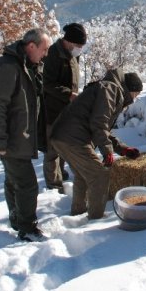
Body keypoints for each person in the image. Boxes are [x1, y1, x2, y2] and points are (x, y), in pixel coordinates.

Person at [0, 28, 52, 242]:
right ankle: (27, 228)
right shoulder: (8, 67)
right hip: (11, 138)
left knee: (14, 181)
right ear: (31, 46)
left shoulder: (27, 66)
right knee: (27, 183)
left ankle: (17, 218)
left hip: (20, 136)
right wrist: (0, 141)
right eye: (44, 49)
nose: (46, 54)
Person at [50, 68, 143, 219]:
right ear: (131, 90)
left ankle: (77, 214)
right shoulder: (111, 89)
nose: (134, 98)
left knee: (82, 175)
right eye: (136, 94)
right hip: (73, 138)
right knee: (99, 174)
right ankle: (96, 218)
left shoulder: (109, 88)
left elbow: (102, 126)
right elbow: (99, 123)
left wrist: (123, 149)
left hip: (63, 136)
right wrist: (107, 151)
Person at [42, 22, 87, 192]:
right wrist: (69, 94)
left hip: (68, 109)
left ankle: (61, 174)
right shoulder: (53, 54)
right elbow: (48, 84)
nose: (80, 49)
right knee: (52, 148)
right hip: (53, 109)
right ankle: (53, 184)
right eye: (78, 45)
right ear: (68, 41)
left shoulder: (72, 53)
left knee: (62, 144)